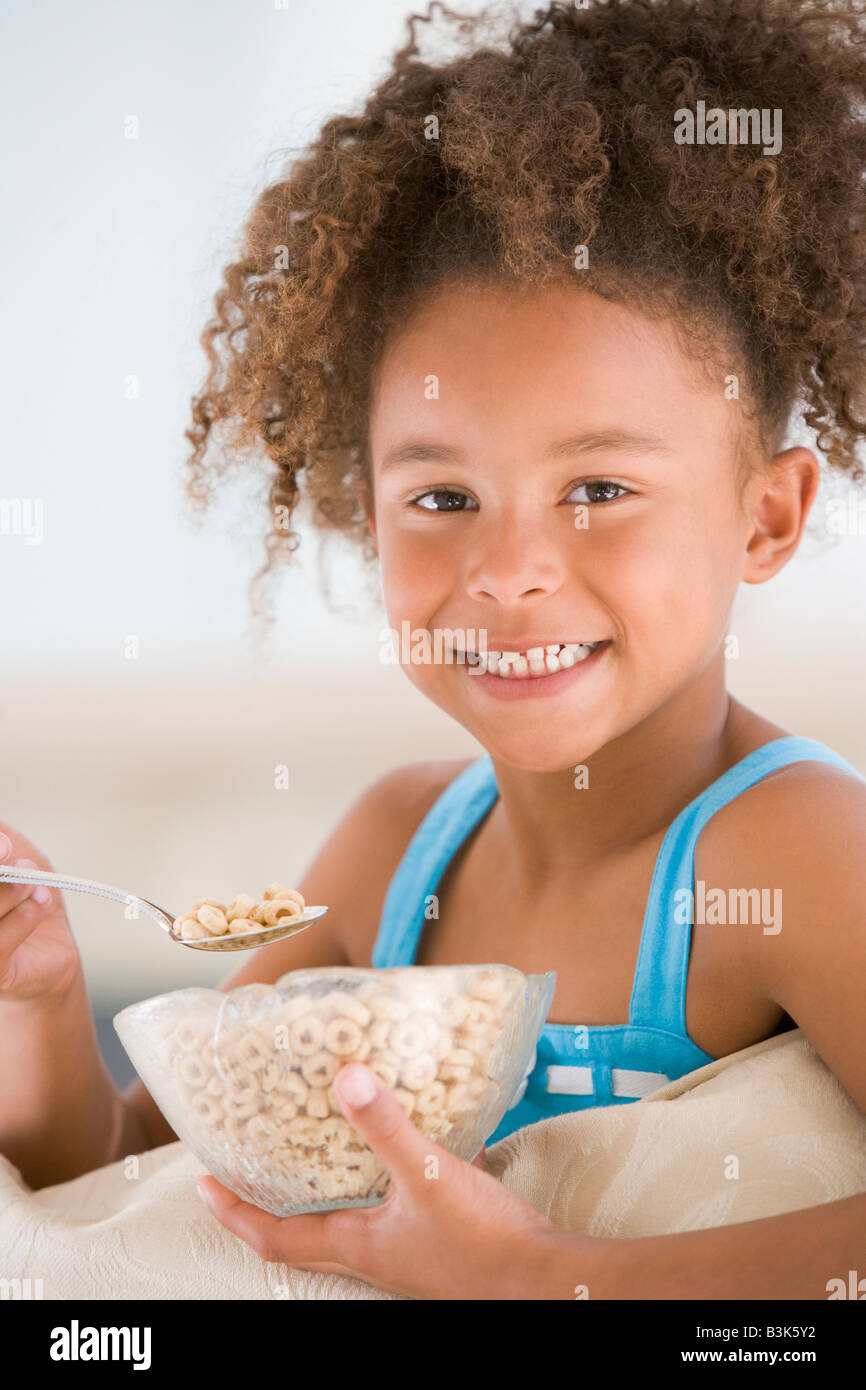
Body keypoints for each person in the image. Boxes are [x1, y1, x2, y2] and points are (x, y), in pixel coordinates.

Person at [4, 0, 866, 1298]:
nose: (507, 568)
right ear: (365, 509)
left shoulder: (793, 850)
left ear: (765, 514)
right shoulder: (390, 855)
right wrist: (42, 1002)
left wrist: (534, 1273)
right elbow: (130, 1181)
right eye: (442, 498)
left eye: (598, 488)